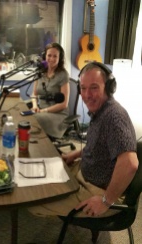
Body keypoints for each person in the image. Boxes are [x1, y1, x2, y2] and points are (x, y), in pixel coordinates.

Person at [28, 61, 139, 218]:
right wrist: (72, 155)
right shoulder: (100, 110)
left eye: (94, 88)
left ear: (108, 88)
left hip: (98, 191)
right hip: (84, 173)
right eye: (83, 88)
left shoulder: (114, 117)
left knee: (34, 200)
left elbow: (130, 163)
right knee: (40, 173)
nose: (87, 95)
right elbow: (96, 145)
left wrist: (106, 201)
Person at [31, 42, 70, 139]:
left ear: (59, 58)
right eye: (49, 55)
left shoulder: (63, 74)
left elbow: (64, 104)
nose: (51, 59)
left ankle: (44, 148)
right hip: (41, 110)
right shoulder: (40, 72)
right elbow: (34, 94)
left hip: (58, 114)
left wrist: (44, 110)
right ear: (45, 56)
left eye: (55, 56)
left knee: (34, 119)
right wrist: (35, 106)